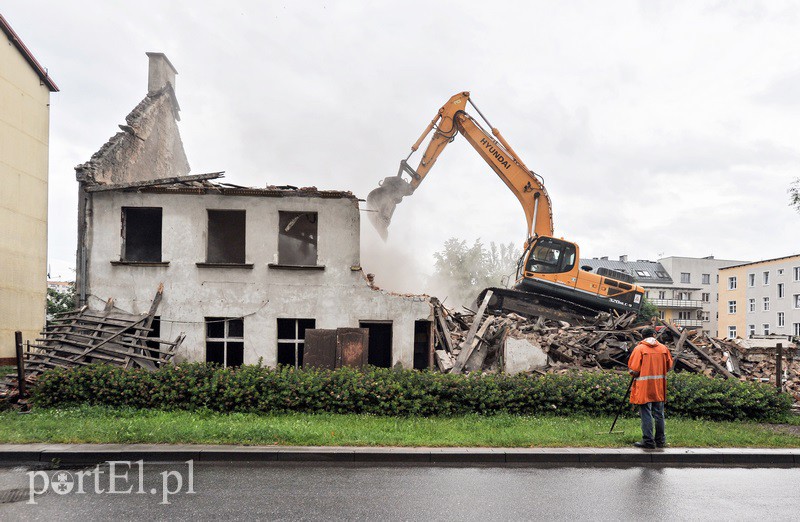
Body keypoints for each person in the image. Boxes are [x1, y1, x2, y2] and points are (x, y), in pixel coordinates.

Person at [627, 326, 674, 449]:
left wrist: (636, 373)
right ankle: (660, 441)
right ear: (654, 335)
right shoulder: (663, 349)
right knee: (659, 414)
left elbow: (633, 370)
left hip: (644, 387)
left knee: (646, 413)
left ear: (643, 337)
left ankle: (648, 441)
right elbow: (669, 366)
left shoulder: (639, 349)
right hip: (659, 386)